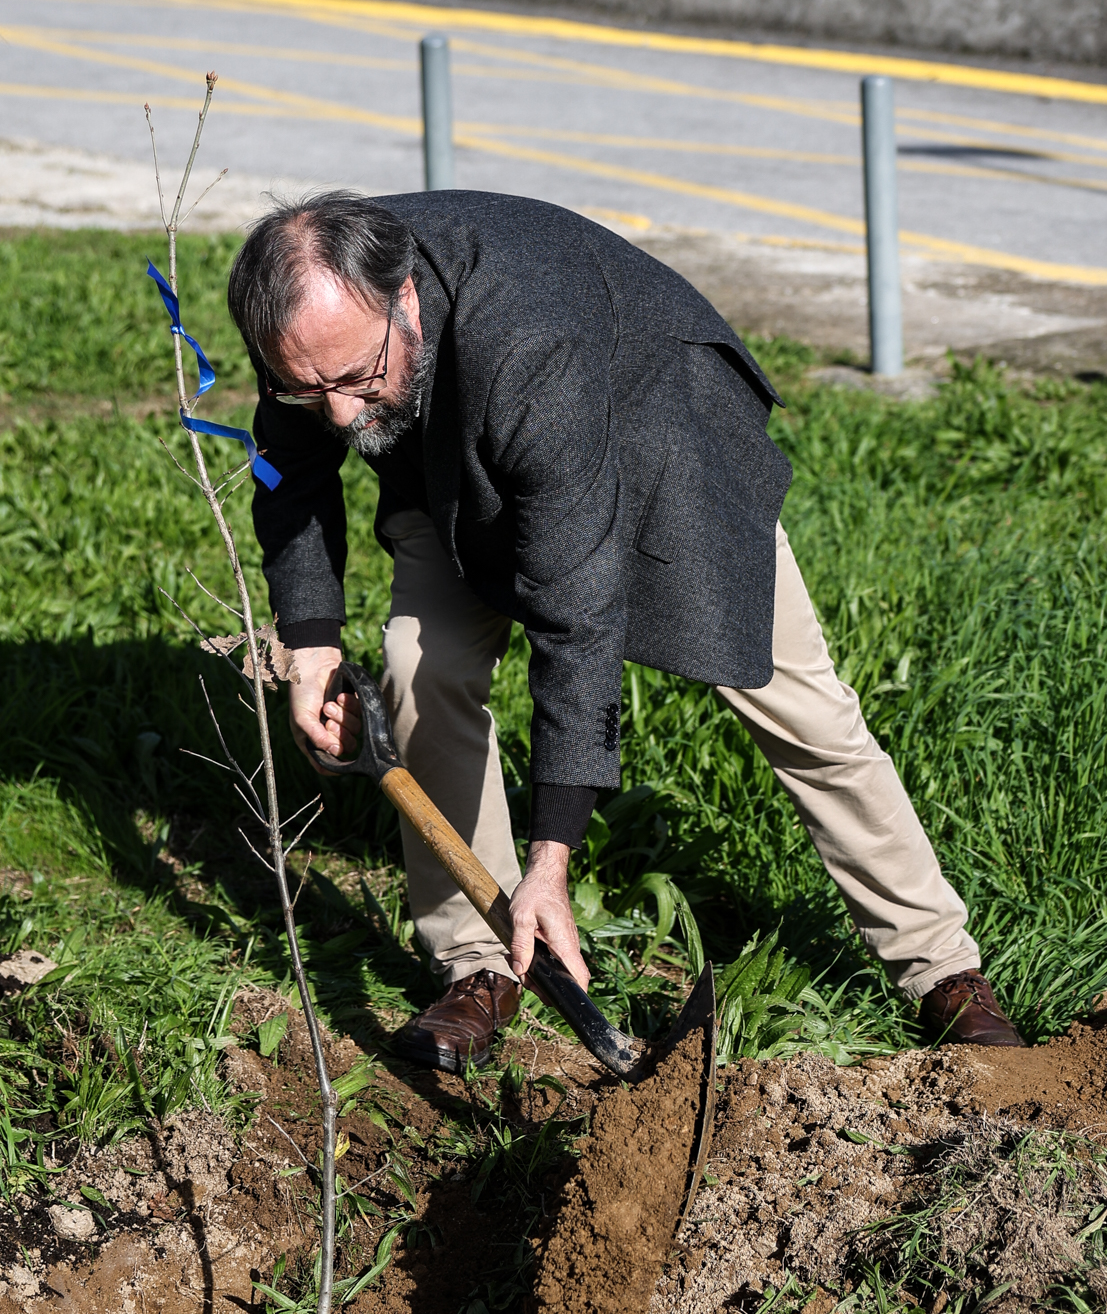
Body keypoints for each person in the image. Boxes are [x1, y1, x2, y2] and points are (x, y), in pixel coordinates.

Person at [226, 189, 1024, 1070]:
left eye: (353, 380)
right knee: (424, 668)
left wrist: (552, 854)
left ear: (404, 297)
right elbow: (290, 474)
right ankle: (477, 963)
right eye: (308, 388)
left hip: (654, 433)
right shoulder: (311, 325)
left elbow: (578, 608)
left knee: (797, 703)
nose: (339, 415)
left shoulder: (530, 337)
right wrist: (311, 646)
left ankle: (938, 965)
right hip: (448, 467)